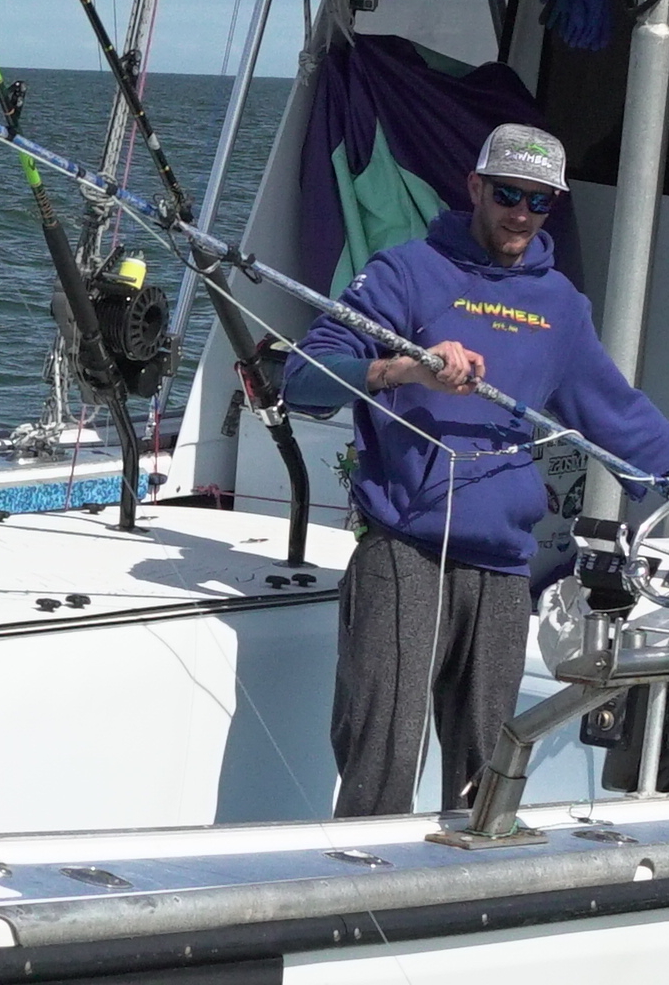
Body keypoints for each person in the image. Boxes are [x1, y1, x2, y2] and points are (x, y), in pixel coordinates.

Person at [283, 123, 669, 817]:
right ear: (475, 188)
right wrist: (404, 370)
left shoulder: (561, 308)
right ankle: (360, 874)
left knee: (489, 775)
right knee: (382, 759)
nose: (521, 213)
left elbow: (625, 423)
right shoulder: (406, 271)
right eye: (507, 194)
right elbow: (304, 380)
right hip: (405, 553)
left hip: (503, 569)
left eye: (539, 201)